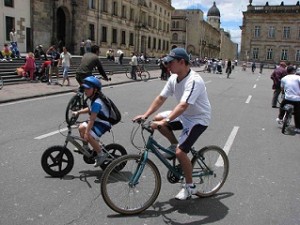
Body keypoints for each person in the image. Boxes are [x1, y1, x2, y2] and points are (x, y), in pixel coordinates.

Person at [133, 47, 211, 200]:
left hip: (198, 119)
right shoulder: (173, 78)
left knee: (180, 153)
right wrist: (145, 115)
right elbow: (161, 98)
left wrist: (166, 120)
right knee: (156, 120)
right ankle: (175, 144)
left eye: (170, 63)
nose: (167, 66)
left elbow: (183, 106)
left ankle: (190, 187)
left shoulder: (194, 80)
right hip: (184, 116)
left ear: (182, 62)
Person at [72, 76, 111, 167]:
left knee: (88, 135)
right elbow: (90, 109)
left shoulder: (97, 101)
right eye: (85, 88)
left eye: (88, 89)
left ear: (95, 89)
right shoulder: (94, 98)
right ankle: (86, 148)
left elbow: (92, 119)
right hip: (98, 120)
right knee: (81, 127)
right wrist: (78, 112)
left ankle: (101, 154)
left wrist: (86, 133)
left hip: (103, 123)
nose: (86, 91)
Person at [276, 66, 300, 133]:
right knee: (298, 113)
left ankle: (280, 118)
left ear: (287, 71)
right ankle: (298, 127)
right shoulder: (298, 77)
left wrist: (283, 94)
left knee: (282, 106)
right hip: (297, 99)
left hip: (288, 98)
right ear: (294, 71)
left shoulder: (284, 78)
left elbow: (282, 88)